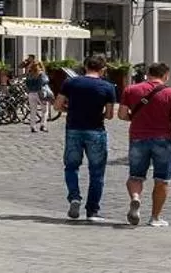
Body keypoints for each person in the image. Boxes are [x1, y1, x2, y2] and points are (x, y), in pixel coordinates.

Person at [118, 60, 171, 227]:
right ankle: (155, 218)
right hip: (163, 140)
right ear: (166, 75)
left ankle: (136, 198)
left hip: (137, 138)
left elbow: (121, 115)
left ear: (148, 74)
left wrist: (135, 118)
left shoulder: (131, 90)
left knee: (135, 176)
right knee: (162, 180)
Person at [52, 55, 116, 220]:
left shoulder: (71, 83)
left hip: (73, 129)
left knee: (71, 167)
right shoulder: (107, 87)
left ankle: (74, 197)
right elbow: (109, 115)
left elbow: (57, 105)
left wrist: (70, 110)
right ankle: (92, 210)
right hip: (96, 130)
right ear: (103, 69)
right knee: (97, 172)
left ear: (85, 66)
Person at [21, 56, 52, 134]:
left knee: (33, 111)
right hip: (40, 93)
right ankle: (43, 125)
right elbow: (45, 82)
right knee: (45, 110)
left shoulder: (29, 75)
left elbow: (27, 84)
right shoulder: (41, 74)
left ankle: (33, 127)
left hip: (31, 93)